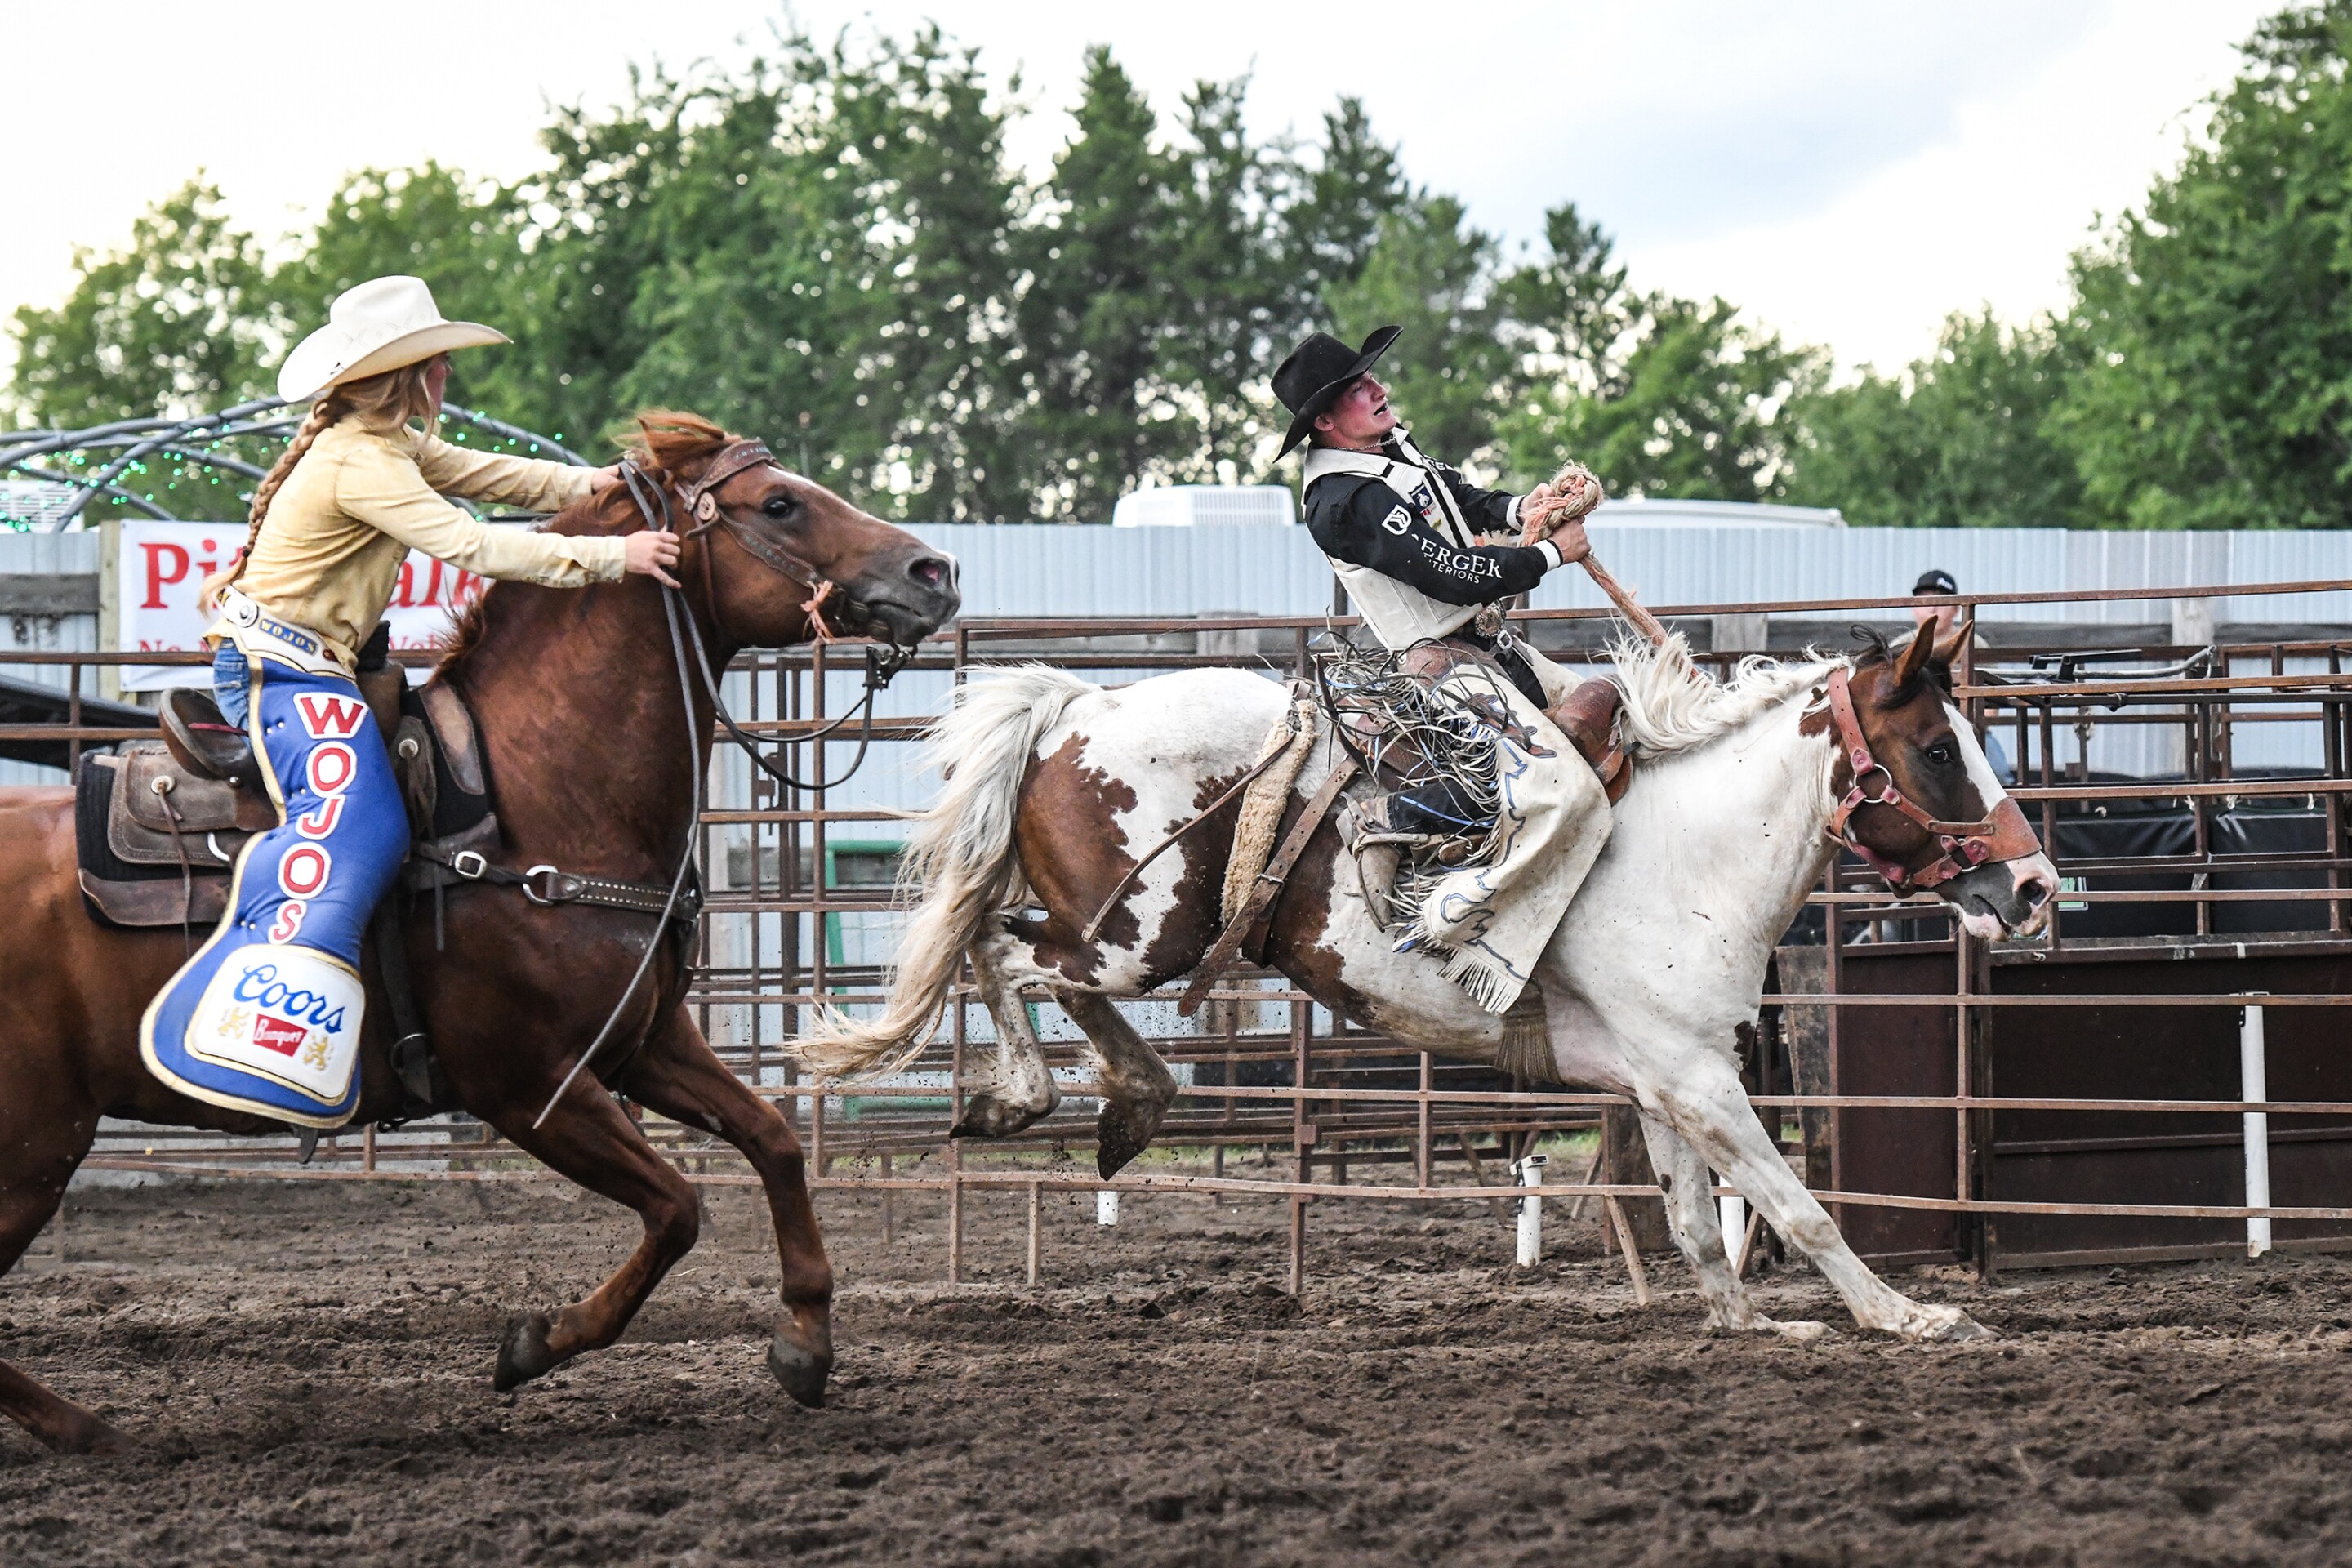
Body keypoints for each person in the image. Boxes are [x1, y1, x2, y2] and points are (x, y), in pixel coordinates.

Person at [140, 274, 684, 1129]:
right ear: (413, 374)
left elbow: (498, 473)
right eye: (438, 361)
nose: (447, 376)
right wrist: (619, 558)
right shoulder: (363, 462)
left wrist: (604, 487)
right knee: (362, 823)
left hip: (314, 665)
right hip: (283, 673)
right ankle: (273, 1012)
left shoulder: (382, 444)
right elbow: (469, 544)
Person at [1271, 325, 1612, 1015]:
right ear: (1328, 421)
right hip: (1442, 664)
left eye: (1373, 378)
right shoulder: (1342, 500)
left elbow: (1457, 497)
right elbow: (1450, 574)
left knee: (1613, 710)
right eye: (1360, 389)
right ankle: (1443, 903)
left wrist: (1524, 510)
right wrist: (1551, 556)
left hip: (1486, 644)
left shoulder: (1383, 450)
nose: (1381, 389)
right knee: (1553, 787)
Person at [1910, 568, 2013, 783]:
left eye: (1942, 600)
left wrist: (1965, 726)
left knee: (1999, 776)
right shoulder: (1901, 647)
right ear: (1913, 607)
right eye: (1925, 599)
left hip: (1968, 731)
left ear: (1956, 610)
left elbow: (1991, 705)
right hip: (1913, 735)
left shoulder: (1974, 645)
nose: (1933, 606)